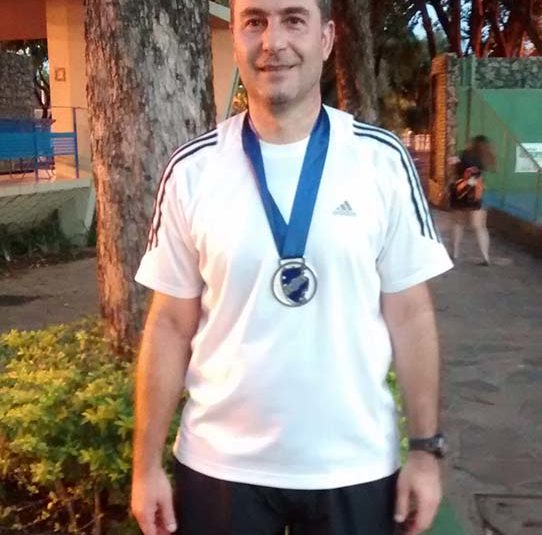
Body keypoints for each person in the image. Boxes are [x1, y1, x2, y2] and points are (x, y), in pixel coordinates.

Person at [130, 1, 453, 534]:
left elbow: (411, 314)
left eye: (293, 20)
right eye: (254, 22)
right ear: (236, 38)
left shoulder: (381, 160)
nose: (273, 42)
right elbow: (168, 324)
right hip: (219, 466)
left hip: (355, 466)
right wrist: (145, 467)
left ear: (326, 39)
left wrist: (425, 450)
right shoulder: (193, 169)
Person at [449, 135, 496, 265]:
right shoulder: (486, 158)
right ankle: (485, 257)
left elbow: (454, 169)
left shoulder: (464, 155)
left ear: (472, 143)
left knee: (458, 223)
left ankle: (455, 253)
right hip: (477, 194)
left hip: (460, 193)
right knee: (480, 227)